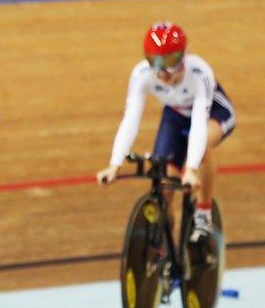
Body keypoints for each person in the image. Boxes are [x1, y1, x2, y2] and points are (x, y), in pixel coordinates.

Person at [96, 22, 236, 244]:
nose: (161, 72)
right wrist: (115, 164)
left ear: (184, 56)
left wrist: (190, 169)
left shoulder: (200, 74)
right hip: (175, 114)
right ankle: (165, 251)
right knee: (164, 185)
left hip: (214, 114)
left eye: (169, 62)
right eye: (155, 62)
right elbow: (131, 118)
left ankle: (203, 212)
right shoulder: (142, 74)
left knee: (201, 145)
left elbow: (199, 122)